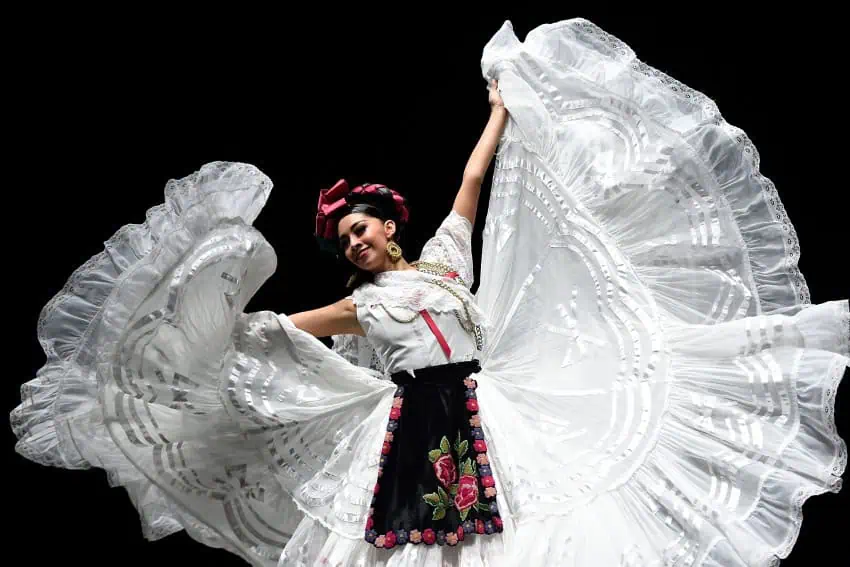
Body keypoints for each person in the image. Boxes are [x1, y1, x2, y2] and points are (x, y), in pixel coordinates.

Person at [11, 18, 848, 567]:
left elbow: (471, 183)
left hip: (491, 403)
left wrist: (501, 107)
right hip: (419, 423)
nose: (358, 240)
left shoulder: (444, 262)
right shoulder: (363, 306)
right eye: (345, 240)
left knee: (532, 523)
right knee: (429, 545)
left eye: (363, 228)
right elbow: (275, 331)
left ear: (388, 224)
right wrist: (212, 320)